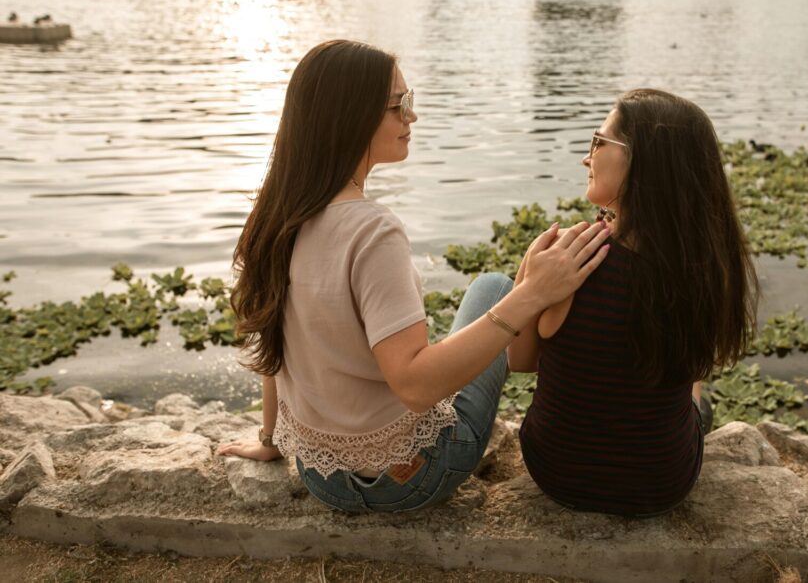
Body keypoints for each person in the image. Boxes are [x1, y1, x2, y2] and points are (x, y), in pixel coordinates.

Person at [216, 39, 611, 512]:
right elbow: (416, 386)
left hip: (322, 476)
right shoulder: (372, 230)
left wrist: (271, 439)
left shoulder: (277, 215)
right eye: (400, 105)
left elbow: (274, 342)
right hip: (410, 477)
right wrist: (533, 293)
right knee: (496, 287)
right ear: (352, 116)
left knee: (474, 304)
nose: (412, 117)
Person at [509, 89, 760, 517]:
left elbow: (521, 359)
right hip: (662, 485)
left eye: (597, 142)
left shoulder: (570, 259)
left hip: (557, 472)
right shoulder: (706, 267)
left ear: (640, 159)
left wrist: (527, 273)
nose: (587, 158)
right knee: (694, 394)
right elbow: (697, 364)